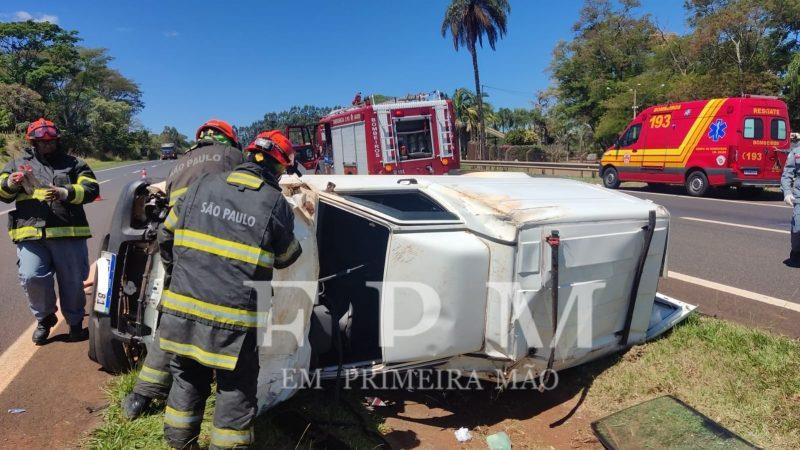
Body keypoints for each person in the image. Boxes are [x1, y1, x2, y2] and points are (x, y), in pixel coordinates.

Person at [159, 130, 302, 449]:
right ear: (278, 167)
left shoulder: (202, 185)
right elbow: (286, 257)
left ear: (250, 155)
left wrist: (178, 274)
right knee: (235, 388)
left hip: (183, 308)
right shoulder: (273, 202)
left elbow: (165, 236)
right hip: (234, 322)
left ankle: (179, 443)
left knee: (186, 377)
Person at [122, 119, 245, 419]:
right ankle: (217, 381)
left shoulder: (180, 163)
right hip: (217, 251)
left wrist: (171, 264)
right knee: (223, 320)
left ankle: (142, 395)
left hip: (180, 249)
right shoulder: (233, 158)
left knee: (172, 321)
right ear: (228, 139)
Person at [0, 118, 99, 344]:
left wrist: (65, 192)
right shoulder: (17, 163)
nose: (47, 145)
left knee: (73, 281)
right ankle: (45, 319)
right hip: (30, 233)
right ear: (32, 142)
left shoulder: (74, 163)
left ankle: (75, 323)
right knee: (31, 276)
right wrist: (11, 184)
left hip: (68, 232)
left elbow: (91, 189)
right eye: (41, 142)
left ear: (57, 140)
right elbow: (2, 193)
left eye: (51, 141)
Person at [782, 132, 800, 266]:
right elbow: (787, 174)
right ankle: (796, 252)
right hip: (799, 198)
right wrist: (787, 192)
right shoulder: (796, 152)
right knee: (797, 228)